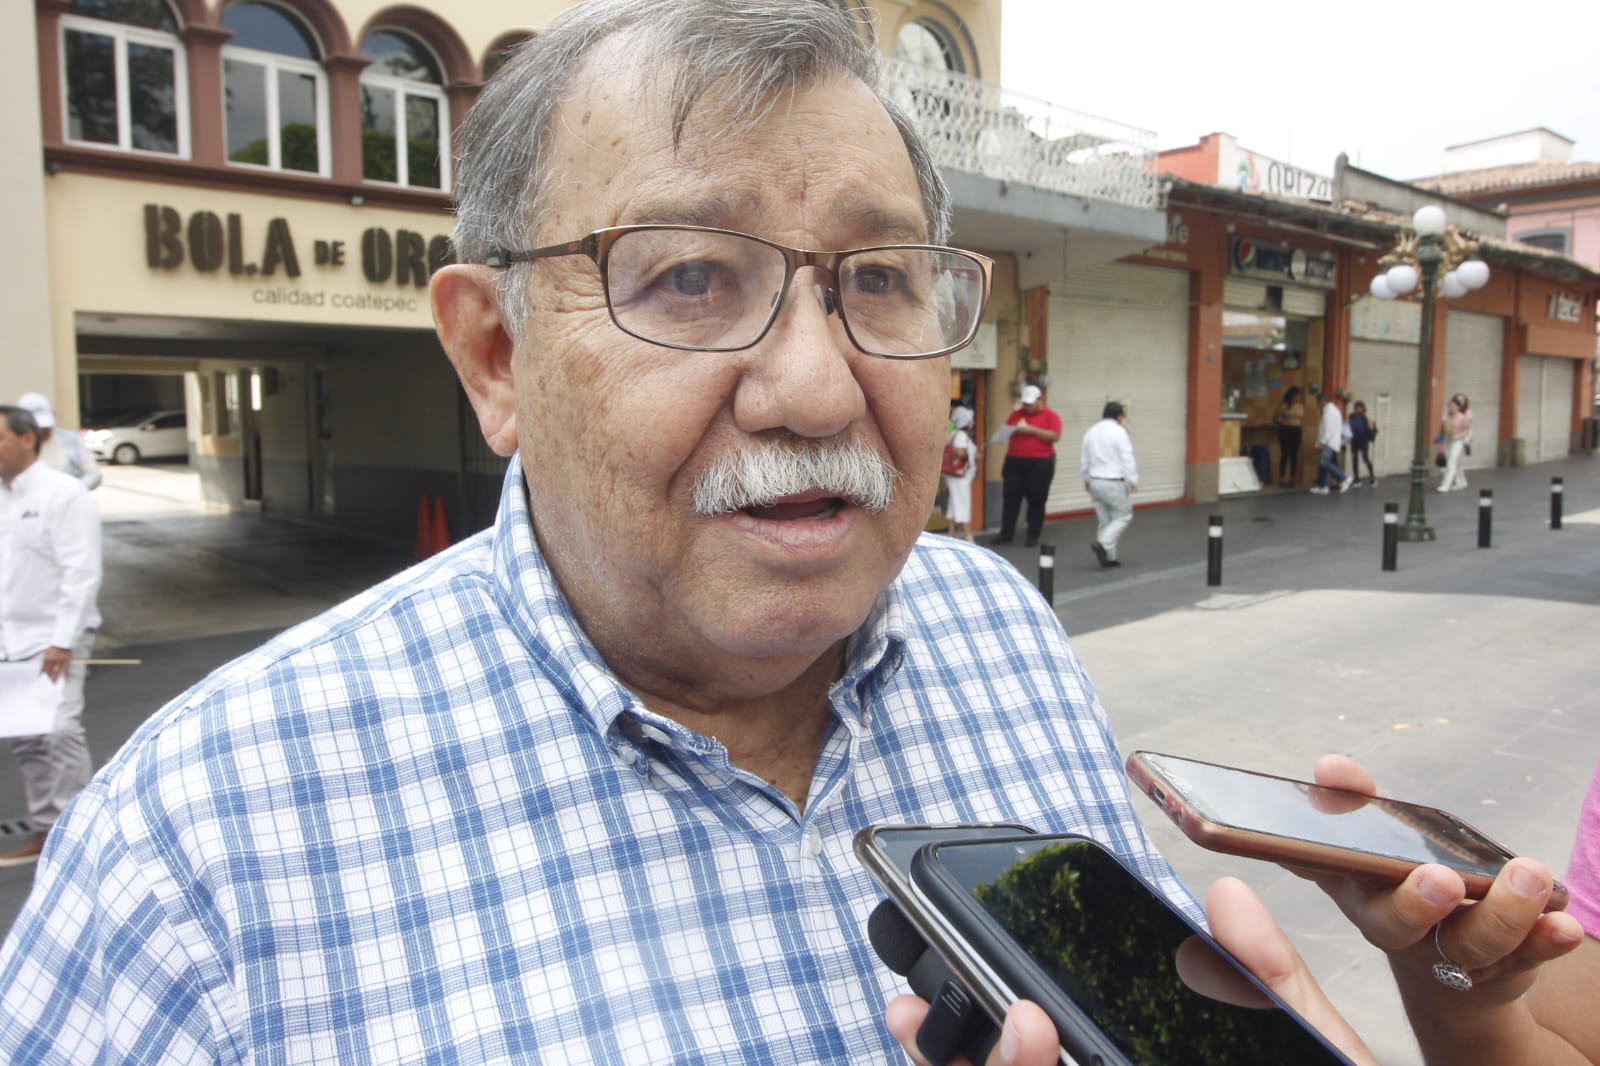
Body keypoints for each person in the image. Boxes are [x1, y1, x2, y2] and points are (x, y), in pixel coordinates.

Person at [0, 4, 1354, 1062]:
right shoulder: (199, 846)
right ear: (494, 358)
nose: (817, 386)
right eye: (691, 275)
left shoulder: (998, 625)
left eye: (880, 278)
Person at [0, 406, 101, 868]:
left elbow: (81, 572)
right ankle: (46, 831)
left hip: (56, 636)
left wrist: (62, 640)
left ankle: (77, 835)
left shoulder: (64, 493)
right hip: (10, 638)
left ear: (28, 439)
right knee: (26, 736)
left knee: (59, 731)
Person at [994, 384, 1061, 547]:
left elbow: (1054, 435)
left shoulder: (1051, 415)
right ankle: (1006, 533)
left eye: (1030, 404)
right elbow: (1006, 429)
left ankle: (1033, 535)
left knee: (1036, 500)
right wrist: (1014, 428)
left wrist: (1032, 430)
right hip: (1014, 461)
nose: (1027, 407)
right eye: (1025, 403)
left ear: (1039, 401)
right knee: (1010, 498)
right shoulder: (1018, 414)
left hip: (1039, 463)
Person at [1079, 400, 1137, 568]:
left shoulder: (1091, 432)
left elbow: (1084, 460)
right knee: (1123, 516)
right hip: (1113, 481)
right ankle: (1104, 544)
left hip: (1095, 481)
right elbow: (1127, 458)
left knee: (1105, 520)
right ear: (1119, 417)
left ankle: (1109, 557)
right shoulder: (1119, 432)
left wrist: (1086, 479)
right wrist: (1133, 480)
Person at [16, 391, 102, 491]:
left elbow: (93, 474)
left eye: (46, 426)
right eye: (35, 428)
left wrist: (73, 490)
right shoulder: (14, 446)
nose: (42, 431)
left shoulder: (72, 440)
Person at [943, 405, 979, 542]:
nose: (972, 421)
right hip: (960, 478)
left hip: (954, 477)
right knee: (963, 504)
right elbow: (960, 452)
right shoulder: (962, 436)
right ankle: (969, 536)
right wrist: (970, 455)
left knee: (953, 504)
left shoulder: (954, 433)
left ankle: (951, 533)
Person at [1310, 387, 1354, 495]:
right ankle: (1323, 486)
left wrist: (1323, 442)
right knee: (1322, 464)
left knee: (1324, 462)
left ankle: (1344, 478)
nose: (1317, 404)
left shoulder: (1329, 412)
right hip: (1331, 441)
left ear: (1322, 401)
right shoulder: (1331, 410)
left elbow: (1328, 429)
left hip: (1329, 442)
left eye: (1318, 402)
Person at [1438, 393, 1473, 493]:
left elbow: (1467, 430)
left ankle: (1446, 485)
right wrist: (1440, 441)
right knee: (1454, 463)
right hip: (1447, 441)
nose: (1451, 408)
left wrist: (1460, 437)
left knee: (1451, 462)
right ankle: (1461, 482)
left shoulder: (1464, 416)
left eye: (1453, 406)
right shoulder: (1446, 417)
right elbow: (1442, 430)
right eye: (1450, 406)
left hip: (1458, 441)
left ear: (1458, 407)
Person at [1275, 386, 1306, 487]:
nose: (1299, 398)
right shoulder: (1284, 404)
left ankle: (1293, 478)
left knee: (1294, 454)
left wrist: (1289, 415)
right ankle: (1282, 477)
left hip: (1296, 430)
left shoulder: (1300, 406)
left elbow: (1300, 416)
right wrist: (1288, 416)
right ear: (1292, 396)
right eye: (1298, 396)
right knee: (1285, 453)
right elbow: (1280, 416)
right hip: (1285, 429)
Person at [1348, 400, 1376, 485]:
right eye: (1356, 408)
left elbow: (1371, 428)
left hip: (1363, 439)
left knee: (1365, 458)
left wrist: (1370, 424)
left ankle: (1372, 476)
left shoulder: (1365, 417)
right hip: (1354, 439)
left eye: (1359, 408)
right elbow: (1348, 425)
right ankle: (1356, 478)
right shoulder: (1351, 416)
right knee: (1354, 459)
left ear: (1363, 409)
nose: (1357, 409)